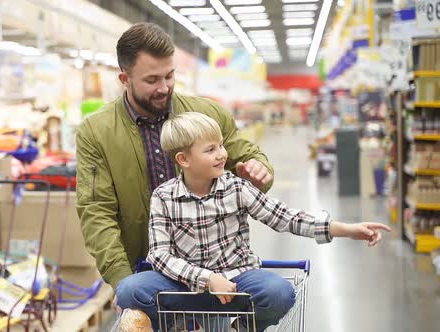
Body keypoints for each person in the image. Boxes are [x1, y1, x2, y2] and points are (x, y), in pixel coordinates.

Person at [75, 21, 274, 320]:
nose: (164, 87)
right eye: (152, 79)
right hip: (152, 270)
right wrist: (121, 277)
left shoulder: (208, 114)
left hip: (215, 268)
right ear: (124, 78)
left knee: (273, 297)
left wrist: (260, 170)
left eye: (169, 76)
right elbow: (96, 210)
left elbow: (246, 153)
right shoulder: (96, 132)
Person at [142, 112, 392, 331]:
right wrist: (207, 279)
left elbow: (285, 217)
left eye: (220, 146)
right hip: (187, 285)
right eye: (210, 150)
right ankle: (180, 325)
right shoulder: (163, 197)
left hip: (237, 279)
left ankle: (240, 328)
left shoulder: (236, 188)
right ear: (184, 160)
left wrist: (347, 230)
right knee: (131, 291)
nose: (222, 154)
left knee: (279, 293)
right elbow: (160, 256)